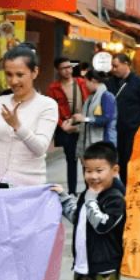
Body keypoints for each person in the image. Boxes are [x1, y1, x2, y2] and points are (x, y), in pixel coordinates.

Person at [0, 44, 58, 188]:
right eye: (9, 74)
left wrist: (17, 126)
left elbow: (40, 148)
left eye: (20, 75)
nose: (14, 81)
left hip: (28, 186)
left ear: (34, 72)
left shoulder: (47, 105)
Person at [53, 141, 125, 280]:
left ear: (114, 171)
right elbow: (79, 218)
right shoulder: (89, 192)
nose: (93, 176)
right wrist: (62, 197)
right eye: (88, 171)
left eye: (99, 171)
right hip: (82, 267)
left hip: (104, 272)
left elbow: (101, 225)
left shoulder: (115, 197)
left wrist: (91, 199)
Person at [48, 57, 89, 195]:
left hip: (83, 126)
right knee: (71, 161)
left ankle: (89, 189)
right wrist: (62, 125)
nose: (67, 70)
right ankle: (72, 191)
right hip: (67, 127)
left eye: (69, 67)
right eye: (63, 68)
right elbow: (53, 110)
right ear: (58, 70)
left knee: (86, 160)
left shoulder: (81, 83)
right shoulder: (54, 88)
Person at [108, 53, 140, 183]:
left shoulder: (138, 83)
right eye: (112, 66)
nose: (113, 69)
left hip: (133, 130)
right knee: (117, 161)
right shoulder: (110, 82)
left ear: (126, 64)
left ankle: (131, 187)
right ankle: (123, 187)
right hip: (114, 129)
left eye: (116, 66)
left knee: (130, 160)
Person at [70, 70, 118, 162]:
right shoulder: (91, 98)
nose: (85, 85)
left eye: (86, 82)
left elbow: (106, 119)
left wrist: (85, 119)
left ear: (93, 80)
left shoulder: (107, 96)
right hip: (91, 144)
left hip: (104, 142)